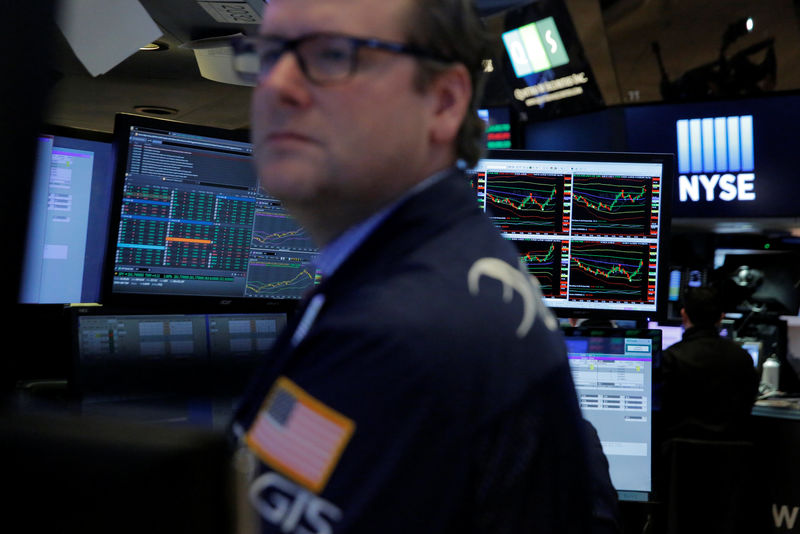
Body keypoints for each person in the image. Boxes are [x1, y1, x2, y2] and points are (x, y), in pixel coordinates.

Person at [228, 1, 596, 532]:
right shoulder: (441, 262)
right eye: (268, 54)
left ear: (444, 102)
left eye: (332, 55)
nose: (277, 85)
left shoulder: (401, 332)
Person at [655, 286, 759, 442]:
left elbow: (660, 409)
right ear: (721, 318)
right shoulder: (743, 357)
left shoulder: (671, 357)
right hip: (731, 458)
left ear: (684, 315)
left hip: (679, 456)